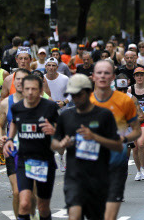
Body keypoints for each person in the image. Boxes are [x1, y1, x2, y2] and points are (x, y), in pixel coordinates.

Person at [51, 74, 123, 220]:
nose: (75, 99)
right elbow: (55, 143)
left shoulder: (104, 115)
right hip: (74, 178)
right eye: (72, 95)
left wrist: (95, 137)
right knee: (75, 215)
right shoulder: (66, 116)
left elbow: (117, 146)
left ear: (89, 92)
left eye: (78, 95)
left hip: (99, 178)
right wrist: (61, 145)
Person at [90, 60, 142, 220]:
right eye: (99, 73)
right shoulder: (93, 99)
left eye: (123, 86)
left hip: (122, 141)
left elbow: (140, 118)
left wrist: (126, 127)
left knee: (121, 166)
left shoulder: (129, 99)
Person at [3, 74, 59, 220]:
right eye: (27, 89)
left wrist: (54, 132)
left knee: (43, 207)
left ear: (41, 90)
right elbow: (14, 122)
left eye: (34, 89)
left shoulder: (50, 107)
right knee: (25, 204)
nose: (30, 92)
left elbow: (63, 130)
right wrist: (9, 139)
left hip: (45, 161)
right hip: (24, 160)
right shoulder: (17, 108)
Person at [0, 69, 32, 219]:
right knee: (17, 192)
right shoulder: (6, 103)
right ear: (14, 81)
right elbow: (1, 127)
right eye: (17, 79)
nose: (19, 82)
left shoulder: (36, 102)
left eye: (23, 79)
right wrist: (0, 137)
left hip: (32, 151)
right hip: (12, 150)